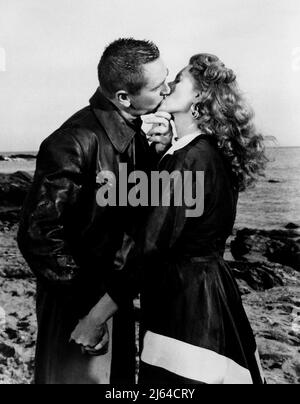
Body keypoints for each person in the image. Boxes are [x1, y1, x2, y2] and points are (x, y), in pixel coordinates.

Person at [71, 54, 267, 384]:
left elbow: (149, 248)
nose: (168, 87)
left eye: (178, 80)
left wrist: (94, 318)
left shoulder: (188, 160)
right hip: (211, 295)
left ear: (200, 96)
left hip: (185, 309)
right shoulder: (203, 152)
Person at [17, 38, 172, 384]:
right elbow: (36, 234)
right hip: (78, 304)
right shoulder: (74, 140)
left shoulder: (134, 135)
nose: (168, 89)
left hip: (110, 299)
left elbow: (136, 213)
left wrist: (161, 157)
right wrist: (88, 307)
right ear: (123, 98)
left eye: (168, 78)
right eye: (159, 86)